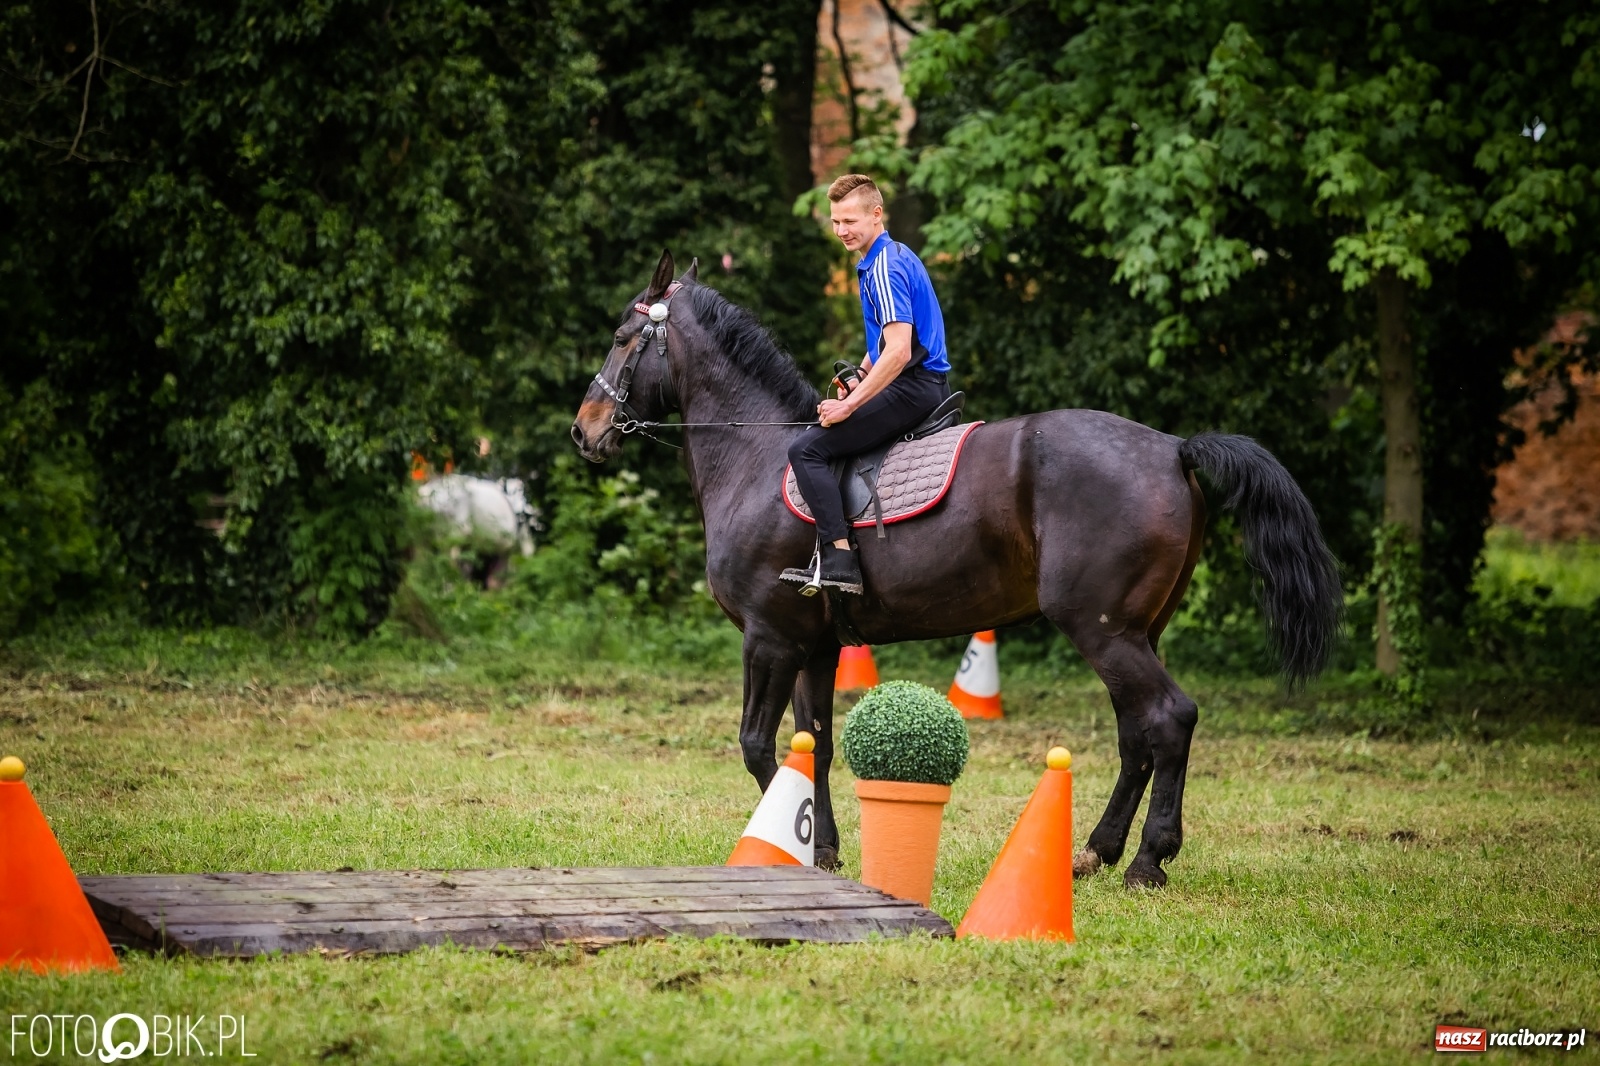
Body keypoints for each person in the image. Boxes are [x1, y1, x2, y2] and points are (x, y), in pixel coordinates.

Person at [786, 174, 952, 595]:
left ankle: (840, 560)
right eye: (835, 222)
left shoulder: (883, 265)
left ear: (876, 214)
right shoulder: (893, 255)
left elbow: (897, 352)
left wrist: (849, 405)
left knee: (805, 449)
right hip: (917, 381)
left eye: (850, 220)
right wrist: (859, 376)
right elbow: (883, 343)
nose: (841, 230)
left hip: (914, 387)